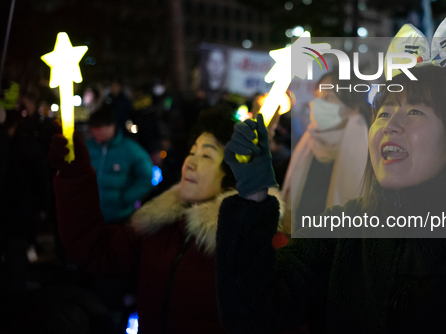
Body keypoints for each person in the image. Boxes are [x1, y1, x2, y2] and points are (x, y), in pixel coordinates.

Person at [217, 15, 446, 332]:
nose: (391, 125)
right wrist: (252, 200)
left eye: (416, 111)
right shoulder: (346, 232)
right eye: (385, 112)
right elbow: (254, 316)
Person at [48, 107, 288, 334]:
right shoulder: (161, 226)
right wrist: (75, 176)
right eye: (192, 152)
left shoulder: (256, 243)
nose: (190, 162)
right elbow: (94, 251)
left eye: (206, 155)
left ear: (233, 173)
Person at [282, 71, 370, 233]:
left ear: (353, 109)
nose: (316, 104)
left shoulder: (371, 164)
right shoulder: (307, 145)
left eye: (328, 98)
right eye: (316, 97)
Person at [86, 106, 153, 224]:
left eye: (102, 128)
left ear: (112, 126)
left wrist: (126, 197)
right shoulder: (86, 148)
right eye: (95, 128)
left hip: (121, 216)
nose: (98, 132)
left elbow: (147, 177)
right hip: (90, 215)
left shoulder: (131, 149)